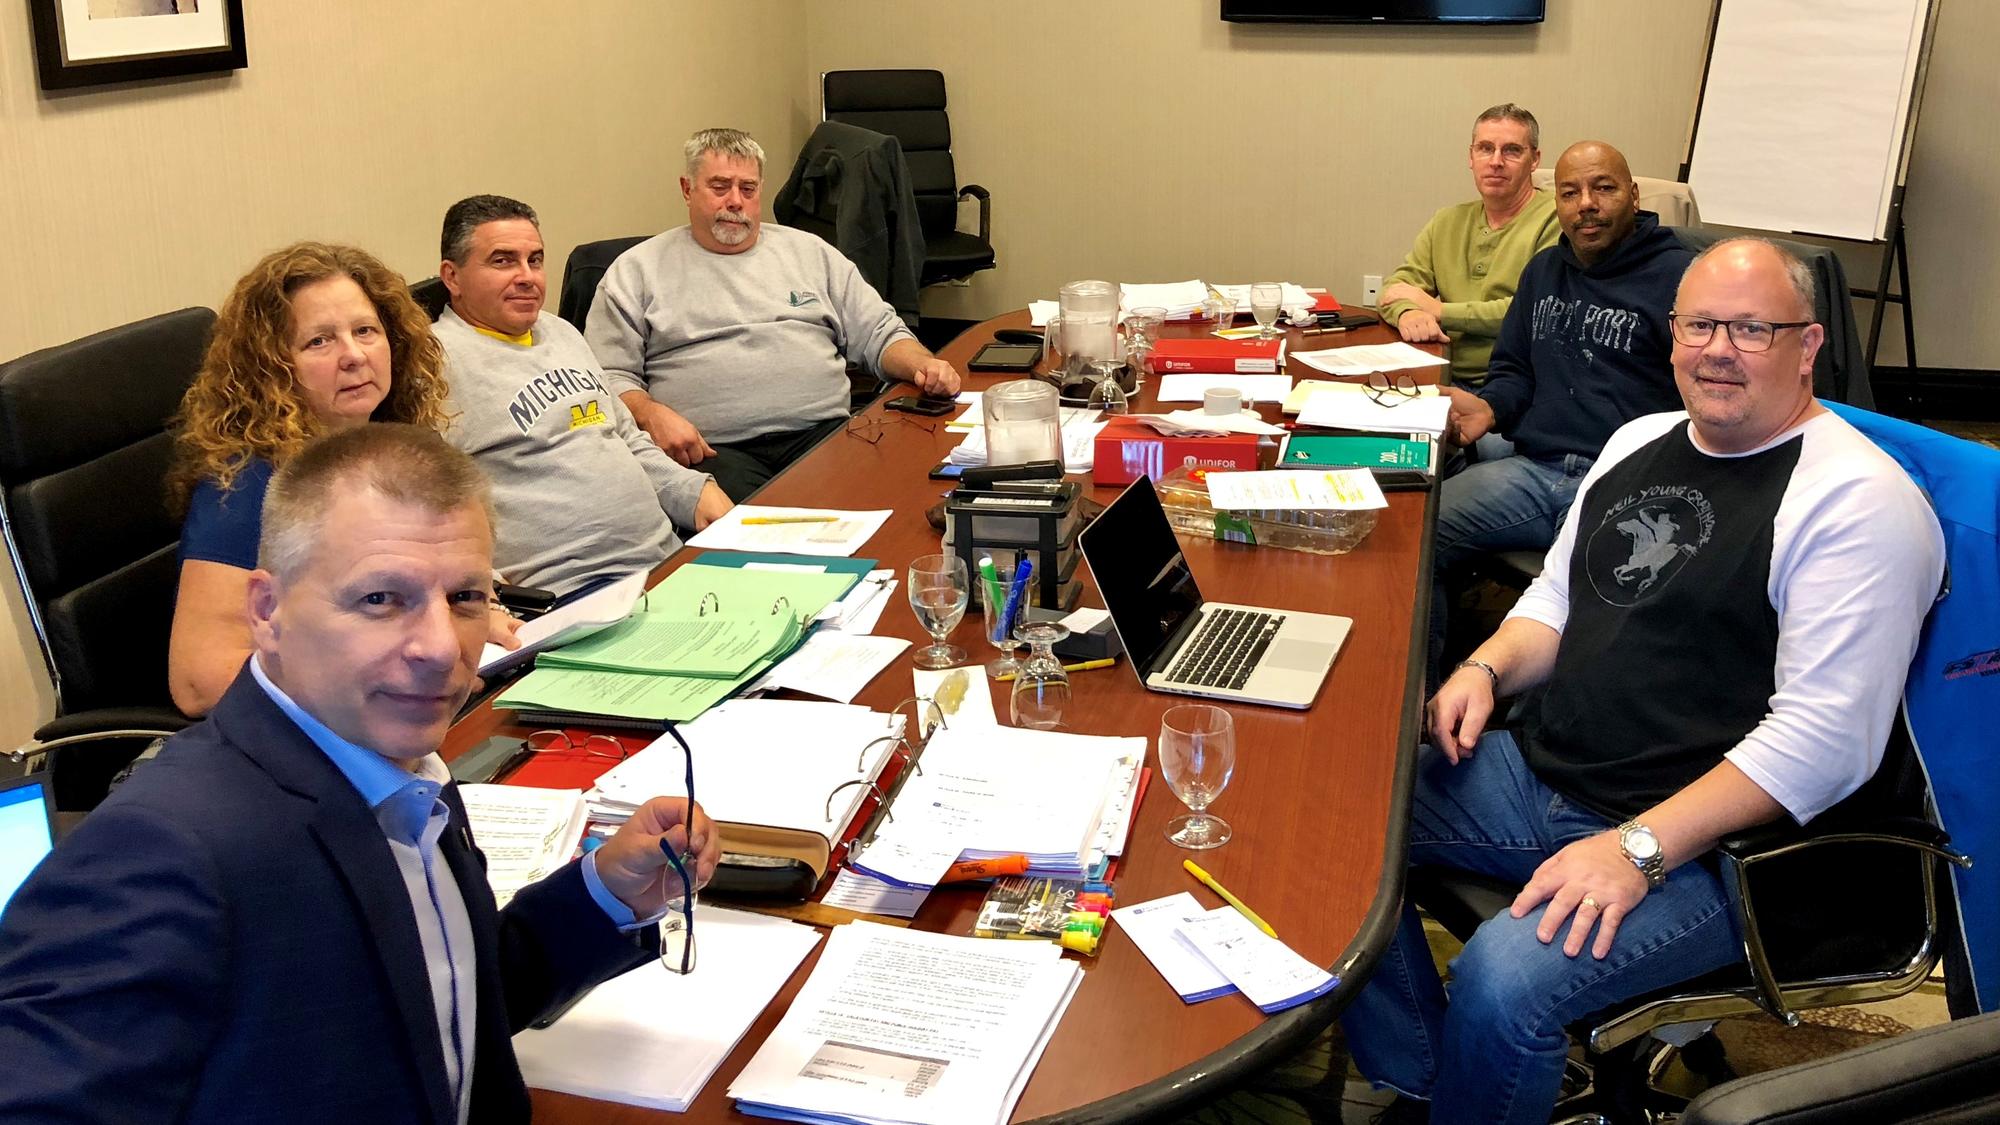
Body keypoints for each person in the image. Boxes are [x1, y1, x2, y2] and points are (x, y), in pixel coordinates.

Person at [1339, 239, 1946, 1125]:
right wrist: (1485, 666)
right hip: (1556, 770)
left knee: (1504, 982)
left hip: (1719, 850)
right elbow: (1556, 598)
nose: (1717, 348)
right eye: (1699, 324)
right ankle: (1426, 1080)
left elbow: (1825, 747)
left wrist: (1636, 849)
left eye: (1751, 328)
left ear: (1808, 345)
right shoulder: (1642, 440)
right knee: (1338, 819)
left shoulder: (1857, 503)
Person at [0, 424, 722, 1124]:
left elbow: (440, 996)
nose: (441, 648)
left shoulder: (400, 763)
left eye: (465, 597)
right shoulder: (160, 853)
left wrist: (605, 894)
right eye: (381, 599)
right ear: (268, 611)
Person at [167, 241, 518, 718]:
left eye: (365, 331)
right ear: (272, 367)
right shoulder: (246, 483)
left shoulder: (387, 443)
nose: (353, 355)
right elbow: (198, 681)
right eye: (319, 341)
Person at [1429, 140, 1694, 683]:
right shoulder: (1545, 271)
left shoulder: (1683, 281)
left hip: (1623, 480)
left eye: (1603, 188)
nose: (1586, 205)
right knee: (1411, 531)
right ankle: (1416, 706)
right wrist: (1490, 406)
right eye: (1570, 193)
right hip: (1540, 460)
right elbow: (1515, 370)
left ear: (1634, 195)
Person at [586, 127, 963, 501]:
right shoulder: (636, 271)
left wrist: (923, 365)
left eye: (747, 189)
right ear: (687, 189)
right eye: (720, 187)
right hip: (712, 450)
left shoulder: (809, 253)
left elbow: (879, 332)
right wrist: (649, 413)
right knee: (777, 533)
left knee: (902, 499)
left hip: (822, 435)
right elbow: (605, 377)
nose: (735, 201)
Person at [434, 194, 733, 599]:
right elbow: (430, 514)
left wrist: (693, 492)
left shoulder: (561, 332)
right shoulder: (434, 364)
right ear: (452, 277)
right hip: (569, 594)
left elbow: (628, 439)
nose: (527, 276)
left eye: (535, 260)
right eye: (503, 261)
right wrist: (489, 600)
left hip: (664, 562)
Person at [1377, 103, 1561, 388]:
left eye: (1512, 150)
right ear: (1471, 156)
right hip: (1439, 376)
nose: (1496, 161)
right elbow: (1396, 288)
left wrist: (1438, 311)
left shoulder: (1557, 218)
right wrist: (1408, 312)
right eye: (1485, 148)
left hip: (1515, 390)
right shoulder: (1448, 220)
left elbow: (1534, 312)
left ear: (1534, 159)